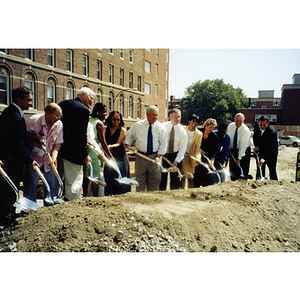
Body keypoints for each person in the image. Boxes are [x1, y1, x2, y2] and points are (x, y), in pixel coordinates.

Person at [0, 87, 39, 226]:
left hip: (8, 159)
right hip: (11, 161)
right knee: (10, 190)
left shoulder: (11, 112)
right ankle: (7, 218)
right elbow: (18, 143)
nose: (30, 103)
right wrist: (29, 160)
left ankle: (7, 215)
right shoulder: (15, 117)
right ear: (18, 99)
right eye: (28, 100)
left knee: (9, 190)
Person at [23, 103, 63, 205]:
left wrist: (54, 156)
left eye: (60, 116)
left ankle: (50, 211)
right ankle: (29, 210)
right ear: (48, 114)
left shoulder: (59, 124)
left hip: (49, 160)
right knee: (31, 185)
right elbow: (23, 137)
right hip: (34, 159)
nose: (58, 119)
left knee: (52, 185)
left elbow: (57, 144)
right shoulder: (33, 121)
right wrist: (36, 138)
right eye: (57, 116)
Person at [58, 87, 93, 201]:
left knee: (58, 179)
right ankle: (70, 206)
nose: (92, 101)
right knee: (74, 183)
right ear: (82, 95)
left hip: (59, 149)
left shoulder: (62, 104)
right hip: (74, 153)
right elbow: (81, 135)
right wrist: (85, 154)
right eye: (90, 98)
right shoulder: (83, 110)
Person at [125, 105, 167, 192]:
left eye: (156, 115)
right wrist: (127, 144)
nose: (155, 117)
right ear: (147, 114)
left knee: (154, 182)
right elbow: (129, 135)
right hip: (141, 156)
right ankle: (140, 201)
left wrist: (158, 156)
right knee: (139, 181)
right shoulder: (138, 125)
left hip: (154, 157)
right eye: (153, 115)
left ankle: (152, 203)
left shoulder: (160, 127)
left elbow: (163, 143)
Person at [83, 103, 112, 197]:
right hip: (94, 152)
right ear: (97, 112)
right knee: (96, 176)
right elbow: (103, 143)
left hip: (86, 150)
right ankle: (95, 198)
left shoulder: (89, 120)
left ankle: (85, 196)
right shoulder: (99, 123)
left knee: (87, 176)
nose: (105, 114)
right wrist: (110, 157)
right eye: (103, 112)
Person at [104, 111, 131, 196]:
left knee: (120, 176)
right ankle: (110, 194)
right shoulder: (106, 129)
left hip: (120, 156)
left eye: (118, 120)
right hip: (110, 155)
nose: (116, 121)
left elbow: (119, 143)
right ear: (110, 119)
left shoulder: (122, 130)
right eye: (114, 119)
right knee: (109, 176)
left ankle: (121, 196)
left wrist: (110, 146)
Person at [160, 108, 187, 190]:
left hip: (175, 156)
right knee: (162, 177)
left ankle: (174, 197)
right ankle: (161, 195)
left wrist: (177, 160)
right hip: (164, 154)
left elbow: (183, 148)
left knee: (175, 179)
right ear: (170, 117)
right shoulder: (163, 126)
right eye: (175, 117)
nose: (177, 119)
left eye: (179, 117)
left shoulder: (182, 131)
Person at [194, 118, 218, 187]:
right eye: (210, 127)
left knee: (207, 178)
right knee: (197, 177)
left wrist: (212, 159)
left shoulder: (214, 136)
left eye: (213, 128)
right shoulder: (198, 132)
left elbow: (214, 150)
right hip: (197, 158)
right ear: (205, 125)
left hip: (207, 158)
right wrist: (199, 150)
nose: (211, 129)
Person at [180, 114, 203, 189]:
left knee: (191, 177)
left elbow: (197, 149)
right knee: (183, 177)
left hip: (191, 157)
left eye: (196, 122)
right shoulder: (182, 129)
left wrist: (198, 158)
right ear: (189, 121)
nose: (194, 123)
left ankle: (191, 193)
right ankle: (181, 193)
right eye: (193, 121)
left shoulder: (199, 134)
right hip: (183, 156)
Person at [253, 115, 278, 180]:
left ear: (268, 123)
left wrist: (263, 159)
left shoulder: (272, 132)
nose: (262, 127)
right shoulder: (256, 127)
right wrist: (256, 146)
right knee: (260, 168)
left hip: (271, 153)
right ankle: (259, 180)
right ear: (258, 122)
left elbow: (270, 148)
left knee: (272, 170)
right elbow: (255, 138)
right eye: (260, 124)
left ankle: (274, 184)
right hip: (260, 151)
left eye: (264, 125)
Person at [227, 113, 251, 181]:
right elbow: (228, 138)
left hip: (244, 151)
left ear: (243, 121)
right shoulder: (230, 126)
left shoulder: (246, 130)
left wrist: (239, 158)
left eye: (240, 121)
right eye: (237, 120)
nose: (238, 122)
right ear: (234, 120)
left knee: (242, 170)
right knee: (232, 169)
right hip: (233, 149)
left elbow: (243, 146)